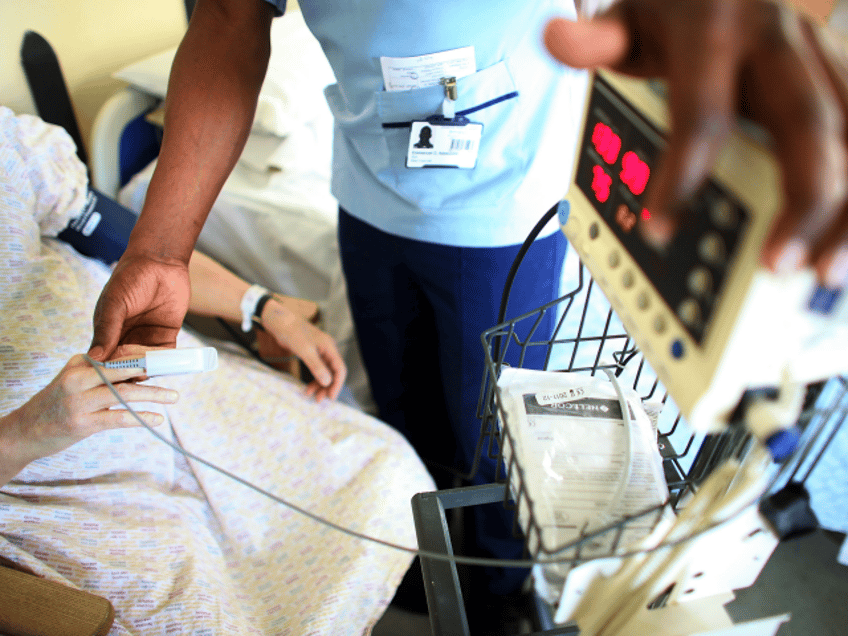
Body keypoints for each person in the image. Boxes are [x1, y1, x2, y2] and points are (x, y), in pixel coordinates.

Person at [87, 0, 848, 618]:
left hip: (501, 210)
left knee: (494, 439)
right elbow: (227, 17)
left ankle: (497, 592)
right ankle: (430, 559)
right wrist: (159, 249)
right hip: (368, 196)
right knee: (406, 408)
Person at [0, 107, 436, 633]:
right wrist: (28, 432)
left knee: (385, 470)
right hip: (55, 486)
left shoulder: (10, 150)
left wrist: (263, 306)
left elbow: (137, 255)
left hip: (182, 399)